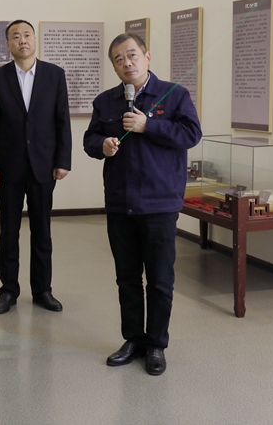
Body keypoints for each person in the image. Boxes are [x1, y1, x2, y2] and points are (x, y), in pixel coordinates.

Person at [83, 33, 201, 375]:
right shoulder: (106, 101)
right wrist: (102, 145)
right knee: (127, 278)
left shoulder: (174, 95)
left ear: (147, 57)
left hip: (159, 204)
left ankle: (156, 344)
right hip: (120, 203)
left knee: (160, 280)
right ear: (114, 66)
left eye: (132, 55)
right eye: (118, 59)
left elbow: (191, 134)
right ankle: (133, 339)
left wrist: (149, 125)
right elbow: (90, 139)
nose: (127, 63)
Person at [0, 19, 71, 314]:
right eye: (15, 36)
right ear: (7, 44)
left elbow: (62, 120)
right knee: (8, 232)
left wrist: (63, 160)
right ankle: (8, 290)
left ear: (35, 40)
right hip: (8, 167)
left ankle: (42, 290)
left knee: (42, 231)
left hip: (43, 166)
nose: (22, 40)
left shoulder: (54, 74)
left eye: (27, 35)